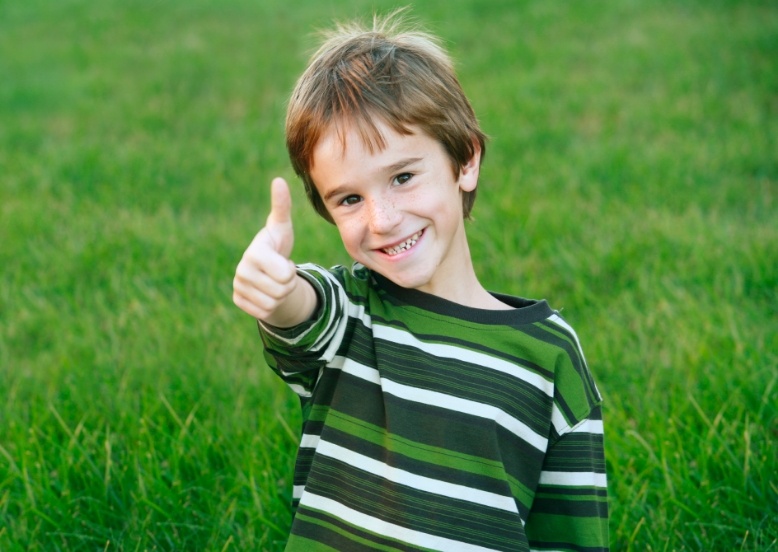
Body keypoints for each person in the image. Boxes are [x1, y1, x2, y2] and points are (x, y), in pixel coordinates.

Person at [233, 10, 609, 552]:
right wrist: (278, 292)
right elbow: (305, 311)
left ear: (466, 161)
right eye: (349, 199)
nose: (382, 219)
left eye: (403, 177)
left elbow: (570, 538)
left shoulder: (550, 357)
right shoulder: (351, 316)